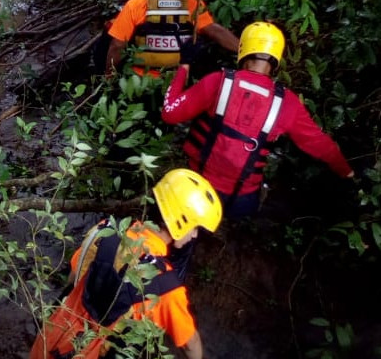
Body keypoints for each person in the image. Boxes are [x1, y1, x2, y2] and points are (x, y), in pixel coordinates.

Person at [161, 21, 355, 220]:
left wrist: (184, 65)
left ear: (243, 49)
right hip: (240, 201)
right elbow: (321, 145)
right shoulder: (287, 103)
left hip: (196, 188)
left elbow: (169, 113)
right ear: (275, 59)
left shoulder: (217, 81)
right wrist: (347, 172)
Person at [29, 168, 223, 359]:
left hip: (52, 335)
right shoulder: (165, 287)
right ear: (180, 222)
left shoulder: (104, 230)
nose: (195, 234)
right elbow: (190, 343)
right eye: (195, 227)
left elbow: (73, 278)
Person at [104, 0, 239, 78]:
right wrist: (246, 52)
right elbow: (216, 31)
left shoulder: (136, 4)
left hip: (142, 80)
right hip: (182, 79)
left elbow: (117, 45)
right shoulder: (191, 2)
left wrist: (109, 77)